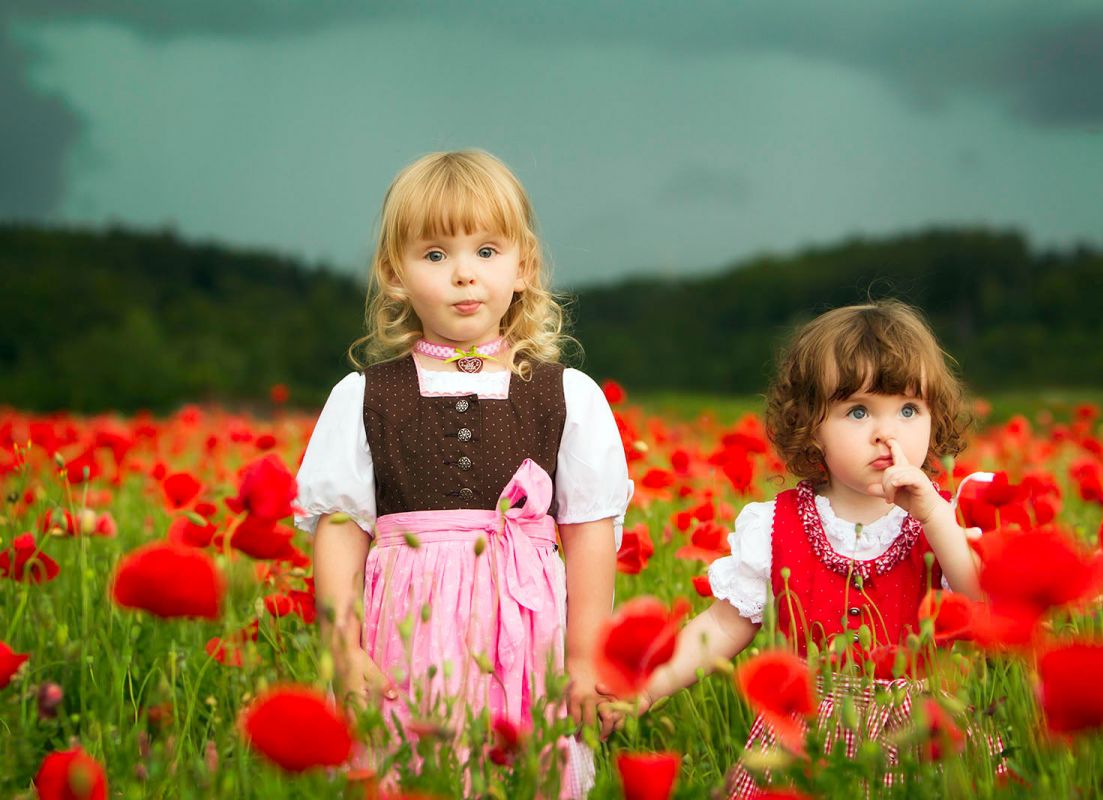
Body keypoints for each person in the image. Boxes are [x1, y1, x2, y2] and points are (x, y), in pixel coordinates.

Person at [294, 150, 631, 795]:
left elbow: (589, 532)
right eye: (435, 255)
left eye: (486, 251)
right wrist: (344, 649)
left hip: (526, 631)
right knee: (415, 773)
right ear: (395, 275)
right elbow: (340, 527)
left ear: (523, 266)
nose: (464, 276)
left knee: (524, 773)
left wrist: (587, 657)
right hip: (407, 633)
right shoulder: (365, 397)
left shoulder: (566, 394)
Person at [633, 300, 997, 795]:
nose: (886, 433)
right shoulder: (776, 524)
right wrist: (645, 687)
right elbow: (720, 625)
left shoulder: (942, 521)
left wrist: (933, 515)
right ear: (810, 425)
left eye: (909, 409)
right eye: (859, 411)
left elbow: (981, 601)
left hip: (919, 735)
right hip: (807, 733)